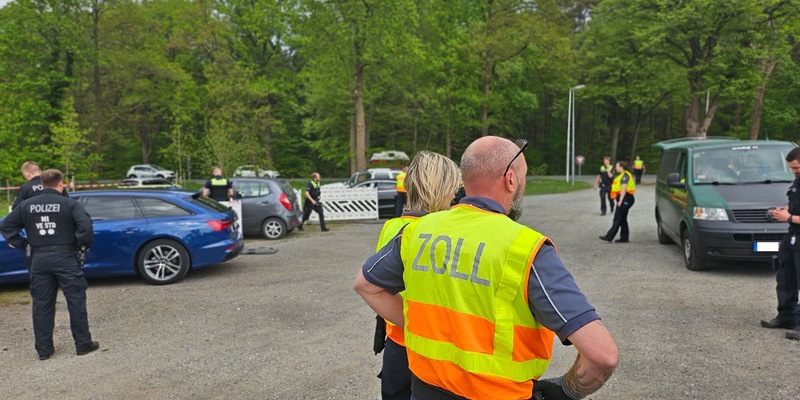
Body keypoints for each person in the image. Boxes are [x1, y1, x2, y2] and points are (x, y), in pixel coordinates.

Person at [354, 136, 618, 400]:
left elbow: (366, 286)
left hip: (425, 390)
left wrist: (416, 324)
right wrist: (567, 389)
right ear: (511, 180)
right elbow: (602, 356)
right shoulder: (526, 248)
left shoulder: (416, 232)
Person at [373, 151, 461, 400]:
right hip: (434, 351)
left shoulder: (392, 227)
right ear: (439, 188)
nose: (455, 195)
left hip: (396, 345)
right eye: (452, 187)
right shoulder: (442, 234)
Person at [0, 169, 99, 360]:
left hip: (39, 258)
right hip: (65, 256)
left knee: (42, 304)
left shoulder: (26, 205)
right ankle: (83, 344)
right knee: (76, 300)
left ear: (42, 183)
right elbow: (86, 229)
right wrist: (80, 245)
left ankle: (44, 350)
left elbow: (6, 226)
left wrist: (24, 243)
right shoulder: (69, 204)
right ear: (60, 183)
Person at [764, 147, 800, 340]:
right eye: (791, 168)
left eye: (796, 167)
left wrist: (789, 217)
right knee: (785, 277)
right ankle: (786, 316)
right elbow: (793, 203)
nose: (794, 171)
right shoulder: (798, 181)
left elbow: (793, 215)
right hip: (792, 237)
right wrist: (782, 212)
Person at [599, 161, 636, 243]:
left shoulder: (625, 176)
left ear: (621, 167)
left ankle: (609, 236)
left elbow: (624, 188)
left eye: (617, 166)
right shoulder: (621, 175)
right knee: (622, 219)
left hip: (626, 198)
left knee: (618, 217)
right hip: (625, 198)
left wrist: (620, 200)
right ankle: (624, 238)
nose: (615, 168)